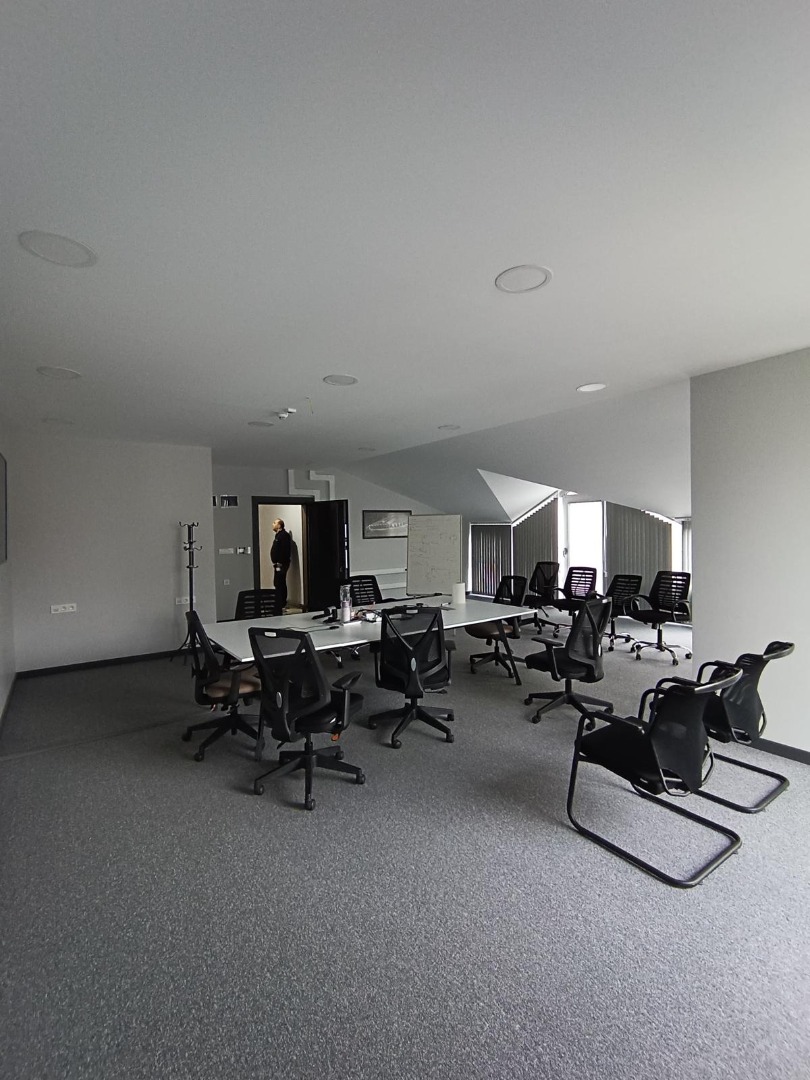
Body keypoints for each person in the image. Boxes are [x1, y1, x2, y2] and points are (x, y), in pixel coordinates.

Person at [270, 518, 292, 614]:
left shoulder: (284, 536)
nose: (272, 524)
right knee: (277, 582)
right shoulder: (278, 535)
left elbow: (285, 550)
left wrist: (280, 562)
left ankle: (282, 604)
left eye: (274, 523)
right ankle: (279, 602)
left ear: (279, 525)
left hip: (281, 564)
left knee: (280, 582)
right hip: (278, 564)